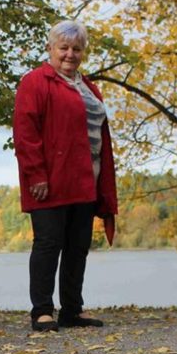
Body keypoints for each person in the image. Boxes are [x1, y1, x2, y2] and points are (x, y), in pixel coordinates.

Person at [13, 20, 118, 332]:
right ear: (50, 49)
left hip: (86, 180)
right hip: (50, 181)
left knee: (77, 246)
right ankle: (42, 311)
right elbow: (25, 133)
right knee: (48, 244)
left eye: (76, 48)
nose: (70, 54)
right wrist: (36, 175)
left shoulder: (88, 87)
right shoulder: (35, 82)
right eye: (64, 48)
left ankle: (72, 309)